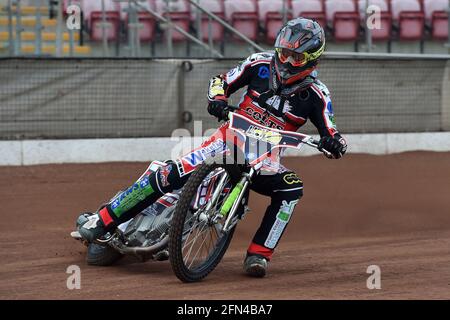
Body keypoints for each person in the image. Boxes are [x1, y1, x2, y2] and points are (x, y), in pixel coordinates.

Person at [77, 17, 347, 278]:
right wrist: (217, 99)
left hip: (266, 160)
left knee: (291, 189)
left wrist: (334, 143)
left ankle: (259, 254)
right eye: (283, 53)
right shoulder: (259, 63)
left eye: (296, 58)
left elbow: (332, 131)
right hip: (226, 142)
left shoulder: (317, 94)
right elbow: (221, 81)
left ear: (312, 59)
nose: (286, 62)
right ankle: (101, 220)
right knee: (170, 174)